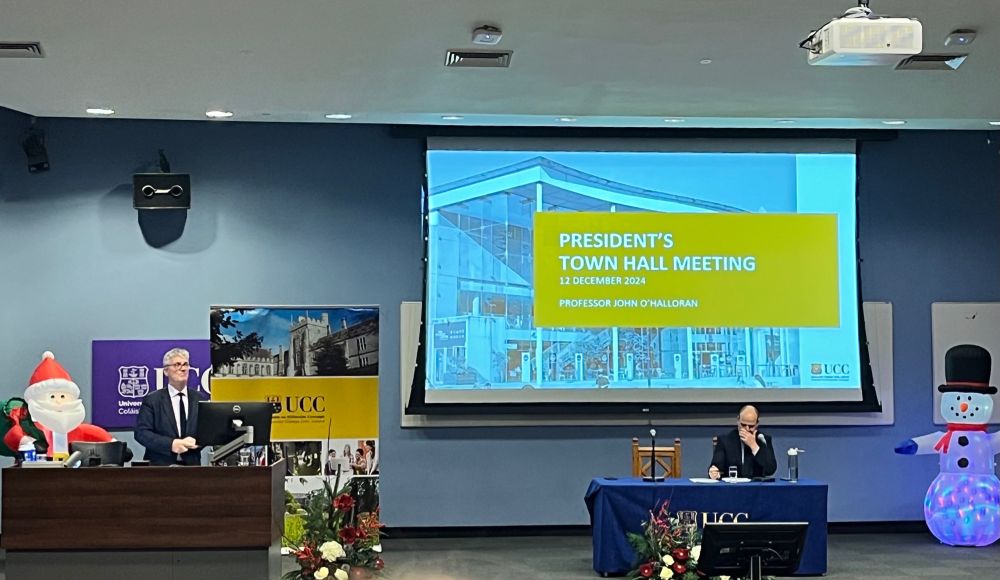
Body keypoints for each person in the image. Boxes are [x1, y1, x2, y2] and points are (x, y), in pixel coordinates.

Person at [135, 347, 203, 465]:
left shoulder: (199, 399)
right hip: (160, 468)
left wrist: (199, 441)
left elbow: (206, 431)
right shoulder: (152, 400)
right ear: (166, 371)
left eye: (185, 364)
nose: (182, 368)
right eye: (177, 364)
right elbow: (141, 433)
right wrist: (171, 444)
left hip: (192, 467)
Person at [708, 405, 777, 480]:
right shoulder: (725, 440)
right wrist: (714, 473)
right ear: (738, 421)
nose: (747, 429)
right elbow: (716, 467)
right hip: (732, 487)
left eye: (751, 426)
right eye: (743, 425)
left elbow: (770, 470)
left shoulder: (763, 440)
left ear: (757, 424)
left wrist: (754, 446)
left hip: (756, 488)